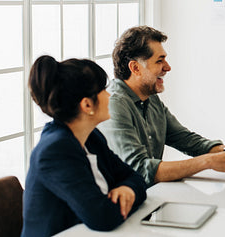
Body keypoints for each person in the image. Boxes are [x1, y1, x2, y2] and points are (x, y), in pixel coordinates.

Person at [98, 26, 225, 186]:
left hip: (151, 197)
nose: (168, 67)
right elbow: (140, 170)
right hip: (124, 205)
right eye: (159, 61)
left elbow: (186, 140)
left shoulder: (150, 99)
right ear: (135, 68)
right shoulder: (114, 104)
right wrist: (208, 161)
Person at [22, 56, 147, 237]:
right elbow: (103, 217)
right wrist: (129, 195)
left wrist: (127, 189)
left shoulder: (91, 137)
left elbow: (135, 177)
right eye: (103, 90)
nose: (109, 95)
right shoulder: (55, 151)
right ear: (87, 104)